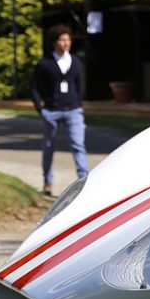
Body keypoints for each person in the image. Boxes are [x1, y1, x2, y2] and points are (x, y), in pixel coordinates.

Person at [30, 24, 89, 197]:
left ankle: (84, 183)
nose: (66, 43)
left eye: (68, 39)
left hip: (73, 110)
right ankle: (48, 181)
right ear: (54, 42)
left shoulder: (76, 61)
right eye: (62, 40)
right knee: (49, 147)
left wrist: (79, 103)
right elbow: (34, 87)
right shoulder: (45, 63)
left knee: (78, 145)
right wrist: (40, 109)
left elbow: (79, 86)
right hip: (51, 111)